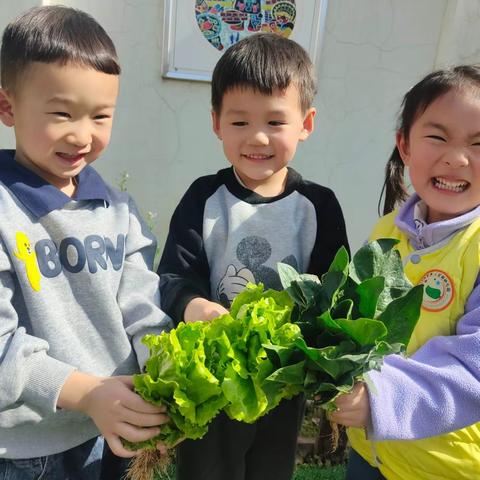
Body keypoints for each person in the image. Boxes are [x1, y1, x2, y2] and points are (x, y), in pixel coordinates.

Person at [158, 33, 349, 480]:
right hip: (211, 380)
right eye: (240, 122)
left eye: (276, 122)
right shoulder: (204, 197)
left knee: (269, 470)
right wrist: (194, 306)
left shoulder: (318, 206)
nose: (257, 137)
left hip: (282, 385)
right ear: (216, 122)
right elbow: (173, 276)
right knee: (205, 471)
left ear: (306, 123)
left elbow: (332, 294)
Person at [0, 6, 171, 479]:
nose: (82, 135)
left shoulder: (119, 210)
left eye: (100, 116)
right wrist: (89, 394)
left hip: (109, 432)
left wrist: (167, 368)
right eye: (61, 113)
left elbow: (142, 309)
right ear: (8, 107)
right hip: (25, 449)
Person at [330, 65, 480, 480]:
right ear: (405, 146)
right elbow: (352, 320)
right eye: (437, 137)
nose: (456, 157)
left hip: (446, 468)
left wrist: (380, 397)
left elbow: (474, 369)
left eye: (478, 142)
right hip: (371, 452)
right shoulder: (386, 232)